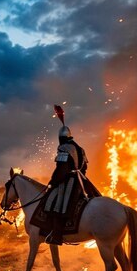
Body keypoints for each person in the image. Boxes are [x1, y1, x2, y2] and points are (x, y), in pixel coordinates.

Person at [36, 105, 101, 245]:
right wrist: (79, 176)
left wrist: (53, 182)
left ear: (61, 138)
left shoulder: (64, 148)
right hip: (80, 181)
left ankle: (57, 235)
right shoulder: (80, 149)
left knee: (53, 203)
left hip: (68, 182)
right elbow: (84, 168)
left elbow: (62, 169)